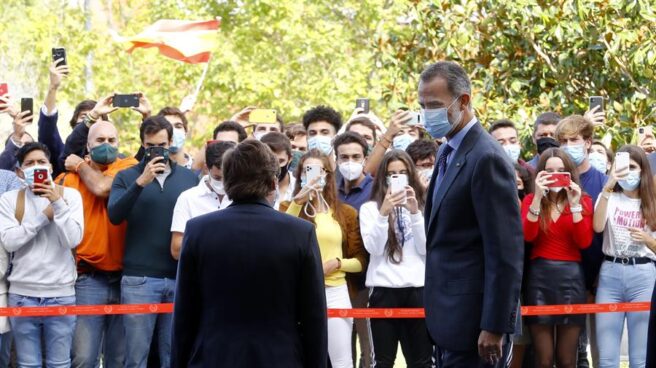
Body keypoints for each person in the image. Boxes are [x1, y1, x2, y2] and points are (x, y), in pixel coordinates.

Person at [171, 140, 328, 367]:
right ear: (273, 182)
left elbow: (184, 314)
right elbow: (314, 316)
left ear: (227, 181)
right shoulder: (300, 232)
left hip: (214, 357)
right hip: (281, 357)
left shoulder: (198, 230)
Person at [420, 61, 523, 367]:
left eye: (435, 105)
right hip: (448, 319)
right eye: (423, 105)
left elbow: (505, 251)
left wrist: (494, 325)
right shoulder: (445, 151)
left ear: (463, 100)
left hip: (477, 328)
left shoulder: (486, 158)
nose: (428, 114)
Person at [108, 116, 198, 368]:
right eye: (150, 146)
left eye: (161, 145)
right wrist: (140, 183)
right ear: (141, 144)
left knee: (173, 355)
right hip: (139, 279)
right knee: (136, 357)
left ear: (171, 143)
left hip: (179, 277)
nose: (156, 151)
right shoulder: (126, 176)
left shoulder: (189, 179)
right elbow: (114, 215)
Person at [55, 120, 138, 368]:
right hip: (86, 279)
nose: (107, 145)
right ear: (88, 145)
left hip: (125, 280)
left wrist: (80, 165)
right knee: (83, 358)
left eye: (112, 140)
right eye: (100, 141)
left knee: (119, 359)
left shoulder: (129, 168)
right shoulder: (66, 180)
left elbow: (102, 188)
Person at [0, 142, 84, 367]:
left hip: (61, 294)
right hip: (22, 295)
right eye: (29, 163)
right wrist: (42, 218)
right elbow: (9, 242)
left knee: (59, 363)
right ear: (20, 171)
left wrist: (56, 203)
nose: (36, 167)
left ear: (50, 167)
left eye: (41, 162)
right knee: (28, 364)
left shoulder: (71, 197)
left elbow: (73, 240)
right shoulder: (10, 200)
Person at [281, 149, 367, 368]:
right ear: (300, 175)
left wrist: (337, 263)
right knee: (299, 358)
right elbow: (280, 241)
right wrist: (297, 203)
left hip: (335, 291)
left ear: (329, 175)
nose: (313, 175)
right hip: (298, 293)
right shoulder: (287, 208)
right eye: (307, 170)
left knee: (341, 360)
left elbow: (359, 261)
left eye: (319, 170)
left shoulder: (345, 213)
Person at [522, 148, 593, 368]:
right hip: (539, 278)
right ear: (540, 174)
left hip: (571, 279)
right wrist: (537, 198)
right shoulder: (531, 200)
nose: (555, 175)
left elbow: (584, 242)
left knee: (567, 359)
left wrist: (575, 205)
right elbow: (528, 236)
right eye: (549, 171)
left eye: (561, 171)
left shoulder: (584, 200)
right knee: (543, 359)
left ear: (570, 174)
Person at [360, 150, 432, 367]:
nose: (397, 178)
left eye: (403, 173)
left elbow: (425, 248)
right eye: (392, 174)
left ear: (411, 175)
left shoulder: (423, 206)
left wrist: (414, 213)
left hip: (418, 289)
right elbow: (374, 248)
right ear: (383, 177)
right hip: (383, 290)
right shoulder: (370, 209)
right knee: (382, 361)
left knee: (422, 361)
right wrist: (383, 213)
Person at [593, 145, 656, 368]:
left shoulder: (652, 201)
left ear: (643, 170)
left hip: (644, 274)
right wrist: (608, 186)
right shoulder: (609, 196)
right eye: (623, 167)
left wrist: (648, 240)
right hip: (611, 273)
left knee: (640, 358)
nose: (627, 172)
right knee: (608, 358)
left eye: (632, 167)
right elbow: (598, 226)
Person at [555, 115, 607, 367]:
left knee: (601, 352)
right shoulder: (552, 180)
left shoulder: (604, 182)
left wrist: (597, 278)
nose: (568, 146)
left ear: (588, 142)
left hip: (599, 279)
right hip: (564, 280)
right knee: (569, 354)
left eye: (573, 140)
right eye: (563, 141)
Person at [333, 131, 373, 368]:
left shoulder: (376, 190)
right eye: (344, 157)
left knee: (368, 351)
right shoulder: (330, 192)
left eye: (356, 156)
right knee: (340, 350)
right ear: (336, 160)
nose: (350, 162)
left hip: (366, 283)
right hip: (336, 283)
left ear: (365, 159)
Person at [170, 141, 236, 260]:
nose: (223, 183)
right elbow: (176, 251)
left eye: (229, 177)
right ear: (207, 167)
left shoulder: (244, 197)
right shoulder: (188, 198)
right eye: (218, 177)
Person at [261, 132, 296, 209]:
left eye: (280, 161)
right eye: (269, 161)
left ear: (290, 159)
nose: (275, 167)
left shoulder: (300, 186)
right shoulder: (250, 188)